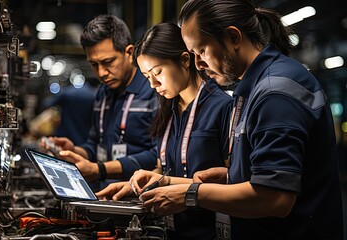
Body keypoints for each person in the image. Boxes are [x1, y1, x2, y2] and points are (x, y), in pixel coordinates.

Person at [107, 0, 344, 239]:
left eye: (201, 51)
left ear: (233, 37)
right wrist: (229, 177)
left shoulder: (274, 92)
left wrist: (190, 194)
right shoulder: (252, 89)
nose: (198, 64)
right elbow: (269, 176)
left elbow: (275, 198)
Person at [96, 22, 233, 239]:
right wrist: (138, 186)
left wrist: (168, 183)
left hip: (209, 232)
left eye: (157, 72)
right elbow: (164, 168)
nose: (153, 83)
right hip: (172, 231)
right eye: (146, 76)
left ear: (185, 60)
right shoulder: (169, 108)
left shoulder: (222, 107)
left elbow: (232, 181)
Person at [41, 15, 158, 191]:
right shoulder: (103, 93)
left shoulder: (153, 90)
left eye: (108, 62)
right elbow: (97, 145)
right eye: (94, 65)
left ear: (129, 52)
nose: (102, 73)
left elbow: (158, 155)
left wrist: (100, 170)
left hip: (141, 196)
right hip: (106, 194)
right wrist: (76, 151)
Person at [41, 78, 99, 145]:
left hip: (64, 135)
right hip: (84, 138)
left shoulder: (69, 91)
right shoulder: (93, 96)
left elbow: (47, 103)